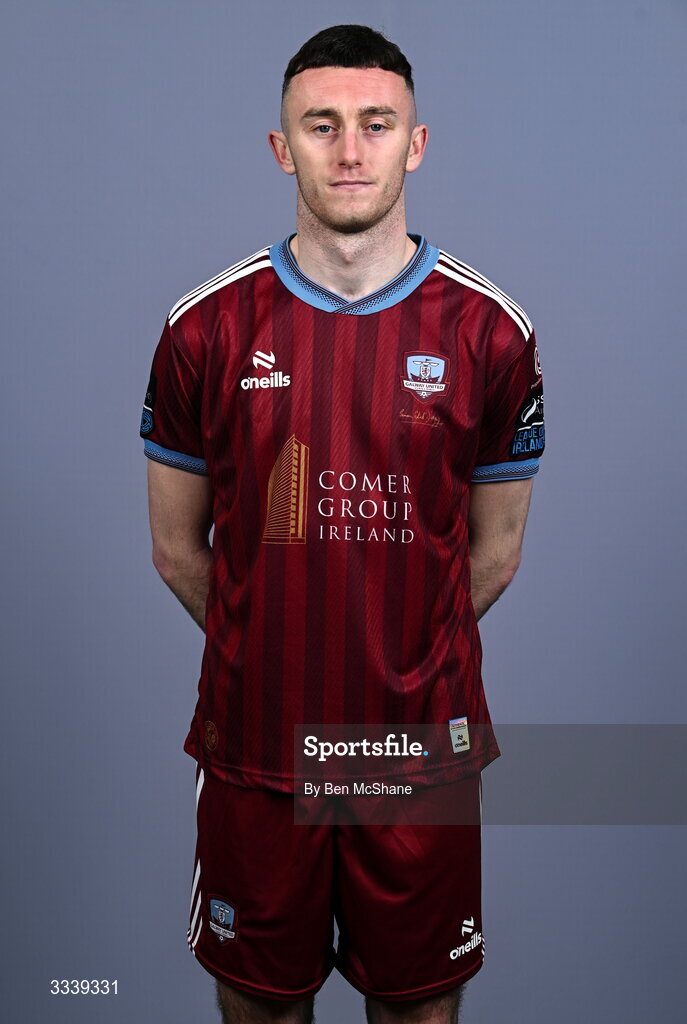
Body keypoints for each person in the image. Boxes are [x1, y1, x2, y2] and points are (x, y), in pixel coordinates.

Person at [139, 23, 545, 1024]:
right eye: (322, 126)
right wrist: (268, 644)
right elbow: (175, 547)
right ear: (283, 147)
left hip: (415, 756)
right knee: (262, 1009)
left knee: (417, 1009)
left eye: (377, 124)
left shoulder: (491, 331)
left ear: (417, 143)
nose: (350, 151)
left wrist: (395, 661)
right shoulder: (207, 328)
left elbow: (492, 551)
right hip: (256, 747)